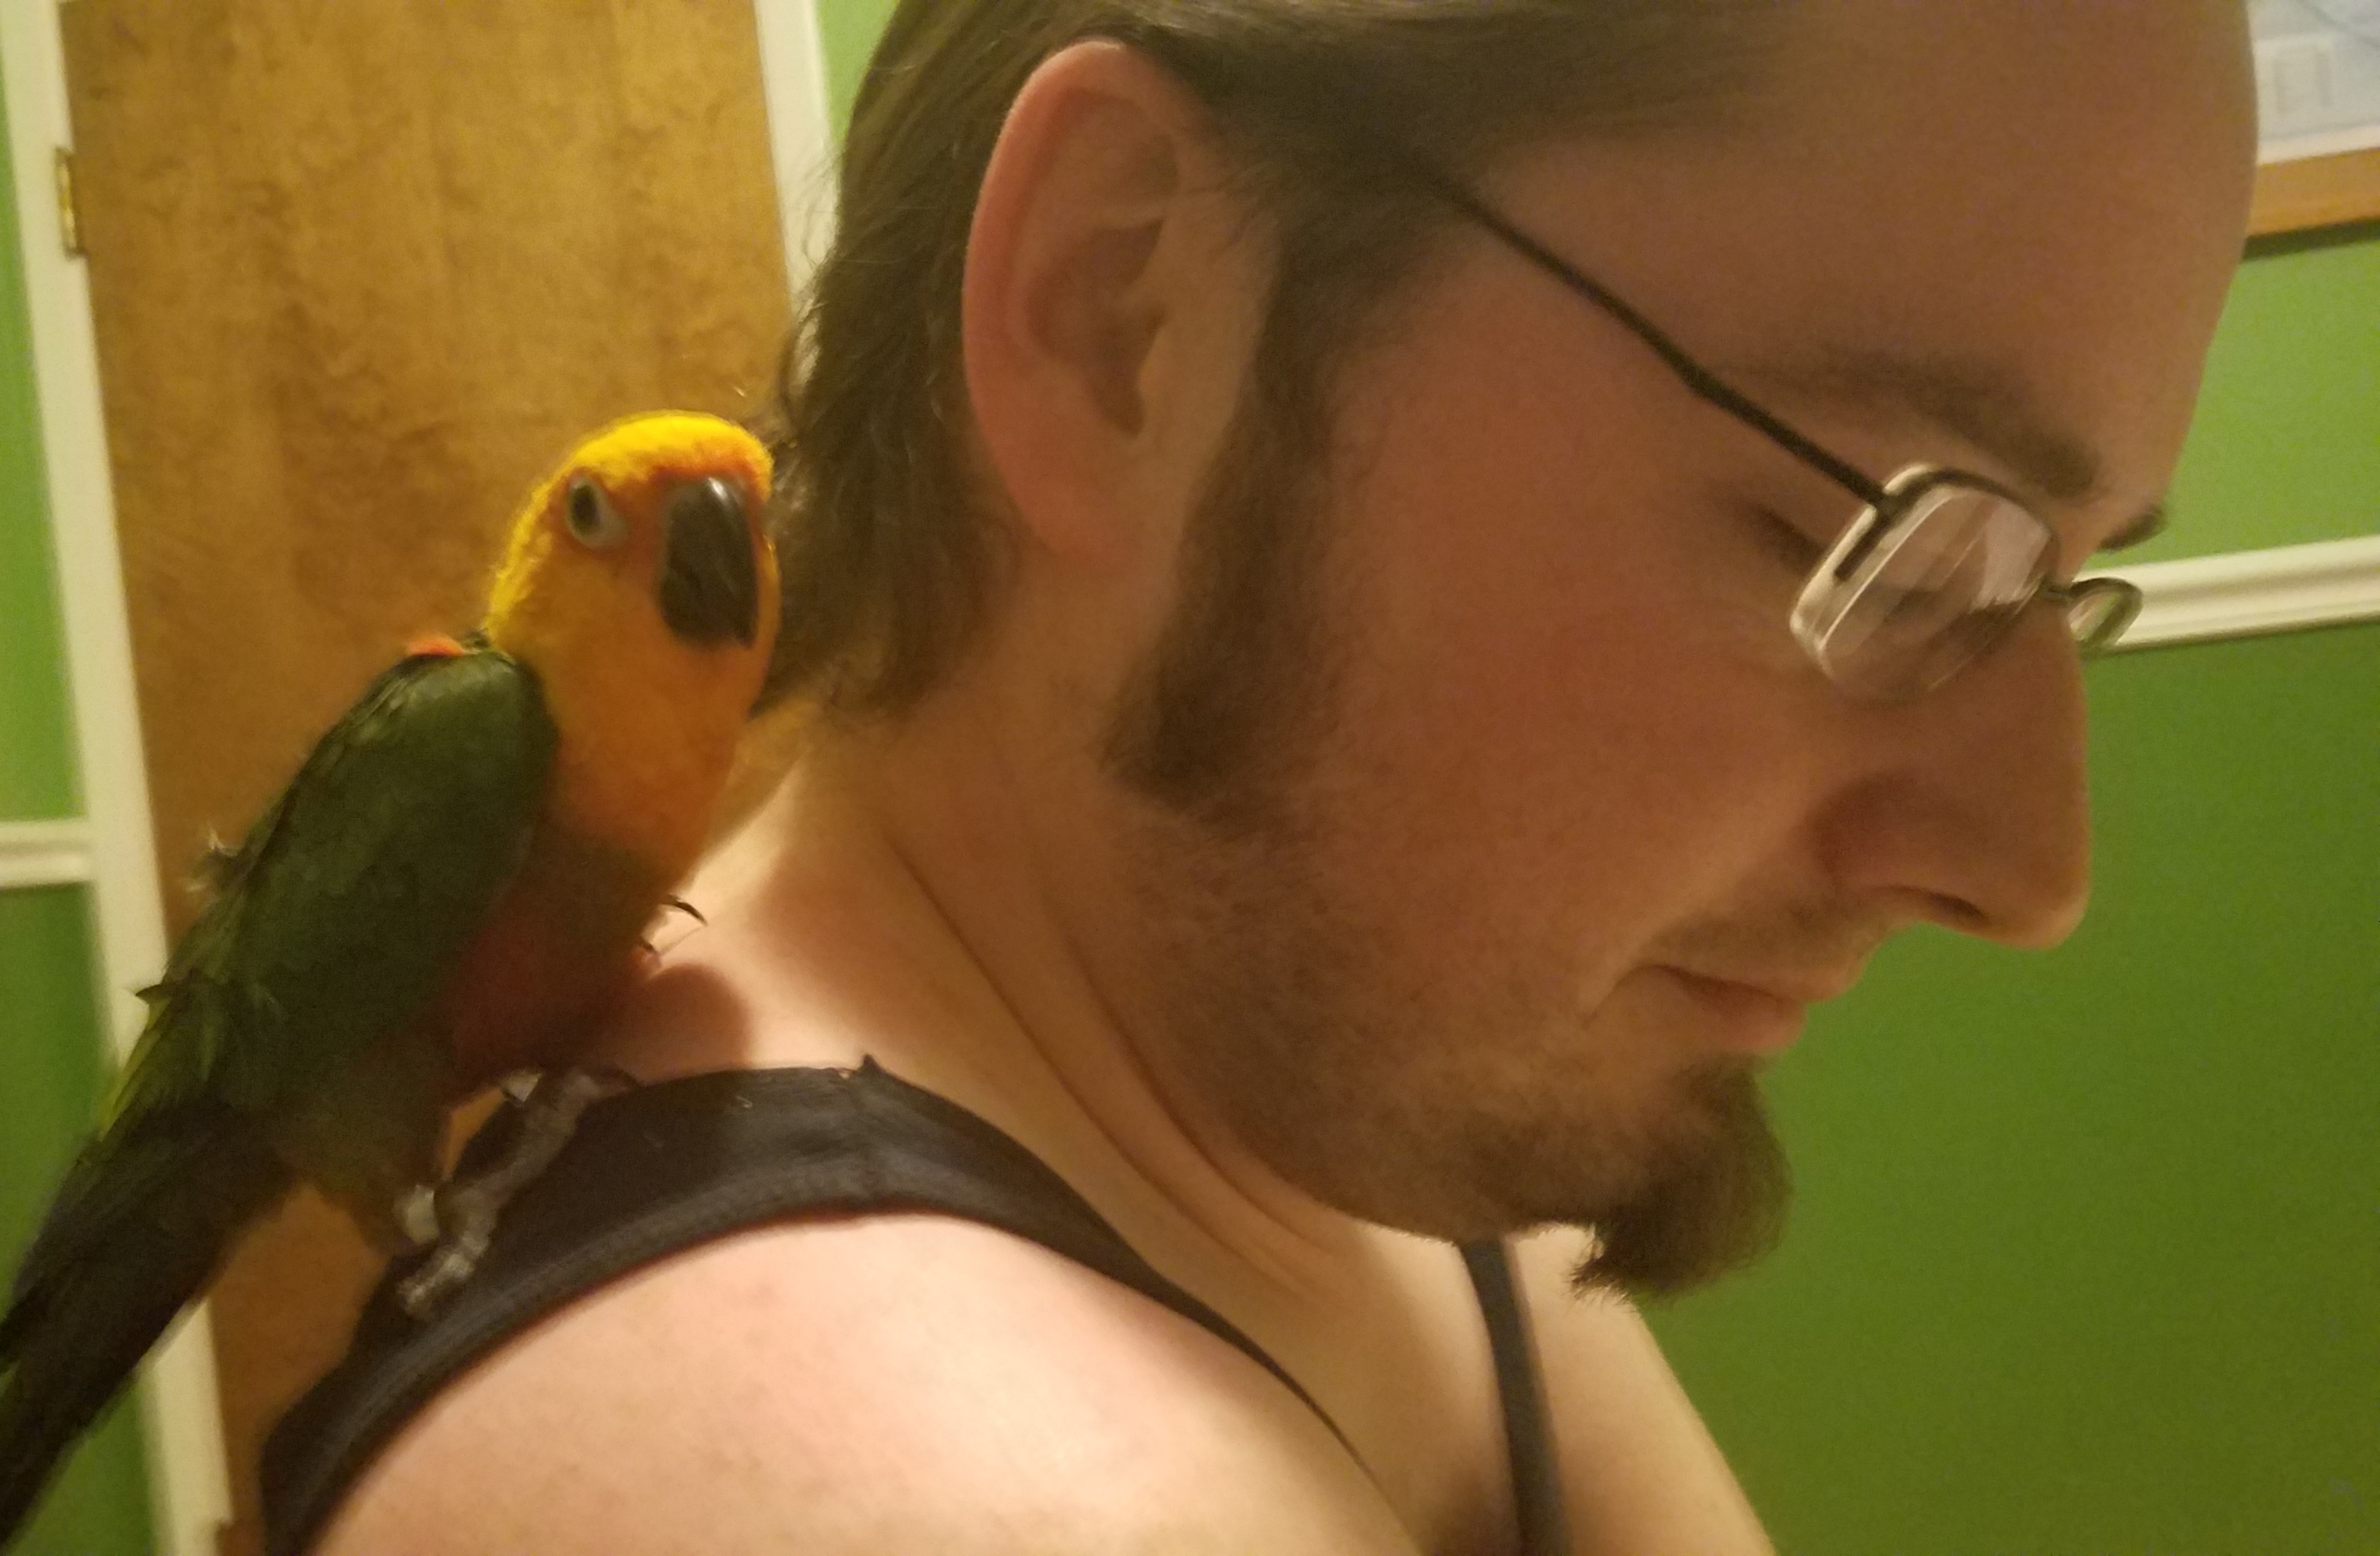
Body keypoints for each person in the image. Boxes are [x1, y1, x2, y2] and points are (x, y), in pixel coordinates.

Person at [276, 2, 2256, 1551]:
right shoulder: (911, 1495)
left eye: (2050, 587)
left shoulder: (1338, 1114)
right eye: (1887, 542)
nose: (2034, 870)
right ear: (1123, 314)